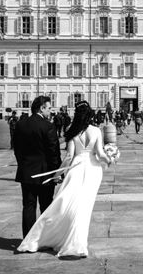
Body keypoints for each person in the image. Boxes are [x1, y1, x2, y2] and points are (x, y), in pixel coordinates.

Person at [17, 100, 111, 258]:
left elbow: (68, 157)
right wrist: (110, 159)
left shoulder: (72, 130)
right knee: (84, 207)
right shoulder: (96, 131)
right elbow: (100, 154)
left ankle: (39, 237)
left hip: (75, 168)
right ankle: (78, 243)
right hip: (92, 170)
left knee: (63, 204)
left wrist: (57, 174)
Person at [13, 96, 62, 237]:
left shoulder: (21, 124)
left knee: (28, 206)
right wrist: (57, 173)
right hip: (45, 174)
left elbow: (16, 149)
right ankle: (44, 237)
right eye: (49, 108)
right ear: (42, 108)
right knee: (46, 206)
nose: (50, 112)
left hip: (26, 173)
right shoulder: (47, 126)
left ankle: (28, 238)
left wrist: (23, 165)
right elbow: (54, 153)